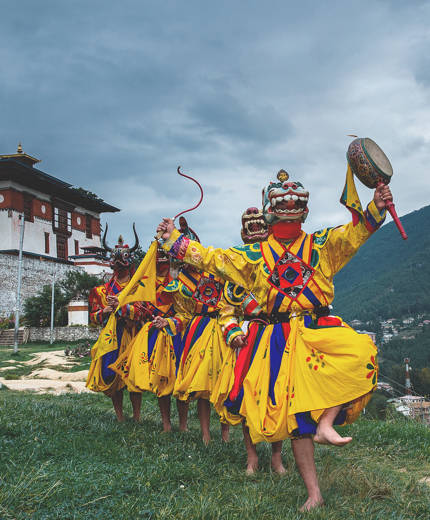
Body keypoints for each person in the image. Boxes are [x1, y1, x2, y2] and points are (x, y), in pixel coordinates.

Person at [156, 168, 392, 510]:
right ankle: (314, 494)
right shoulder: (252, 257)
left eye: (296, 202)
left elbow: (354, 233)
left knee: (362, 354)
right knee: (295, 419)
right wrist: (172, 239)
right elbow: (212, 259)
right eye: (283, 203)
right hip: (278, 339)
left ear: (304, 211)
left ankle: (325, 423)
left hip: (317, 328)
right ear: (270, 211)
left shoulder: (321, 245)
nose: (290, 207)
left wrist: (376, 206)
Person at [216, 207, 285, 474]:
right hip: (251, 340)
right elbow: (226, 310)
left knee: (277, 396)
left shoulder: (281, 265)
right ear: (244, 236)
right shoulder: (237, 273)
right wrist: (232, 331)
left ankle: (277, 457)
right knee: (246, 397)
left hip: (279, 335)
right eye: (251, 234)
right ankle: (252, 457)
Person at [110, 244, 189, 432]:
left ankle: (184, 425)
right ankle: (166, 424)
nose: (161, 259)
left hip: (177, 333)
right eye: (158, 255)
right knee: (161, 381)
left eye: (165, 256)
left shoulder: (180, 281)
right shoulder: (146, 284)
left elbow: (187, 310)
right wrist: (121, 306)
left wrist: (172, 321)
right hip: (153, 335)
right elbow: (137, 311)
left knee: (179, 379)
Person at [86, 225, 145, 422]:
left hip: (133, 334)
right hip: (112, 337)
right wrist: (104, 311)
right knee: (112, 376)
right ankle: (120, 416)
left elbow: (144, 312)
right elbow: (93, 318)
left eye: (123, 263)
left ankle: (136, 416)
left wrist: (123, 308)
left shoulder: (137, 287)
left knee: (133, 378)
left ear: (129, 264)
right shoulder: (101, 291)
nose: (119, 267)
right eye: (117, 263)